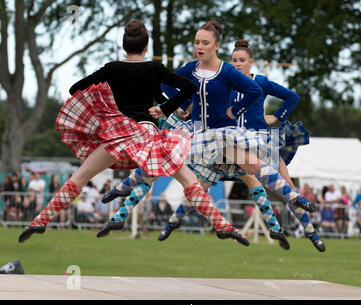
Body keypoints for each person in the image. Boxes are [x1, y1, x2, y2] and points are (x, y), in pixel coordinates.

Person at [18, 19, 248, 247]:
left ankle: (40, 220)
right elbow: (188, 87)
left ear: (124, 45)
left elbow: (74, 88)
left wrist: (104, 102)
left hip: (118, 134)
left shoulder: (112, 68)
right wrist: (167, 108)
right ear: (146, 47)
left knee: (79, 178)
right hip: (147, 135)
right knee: (189, 181)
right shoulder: (153, 69)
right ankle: (223, 226)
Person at [103, 28, 324, 252]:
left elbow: (274, 94)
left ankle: (307, 227)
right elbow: (176, 88)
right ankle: (163, 219)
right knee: (188, 177)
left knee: (260, 173)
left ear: (249, 60)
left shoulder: (241, 77)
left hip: (243, 138)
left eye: (242, 60)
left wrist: (274, 116)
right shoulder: (196, 70)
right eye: (197, 42)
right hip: (207, 137)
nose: (238, 64)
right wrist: (182, 104)